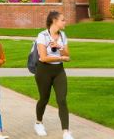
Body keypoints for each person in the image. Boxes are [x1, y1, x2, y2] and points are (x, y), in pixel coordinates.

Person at [34, 11, 72, 139]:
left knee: (62, 100)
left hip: (59, 71)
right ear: (55, 21)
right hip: (44, 71)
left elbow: (67, 54)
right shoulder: (42, 36)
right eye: (63, 20)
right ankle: (38, 123)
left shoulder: (63, 35)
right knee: (44, 99)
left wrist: (59, 46)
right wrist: (62, 58)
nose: (65, 22)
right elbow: (43, 58)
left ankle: (66, 131)